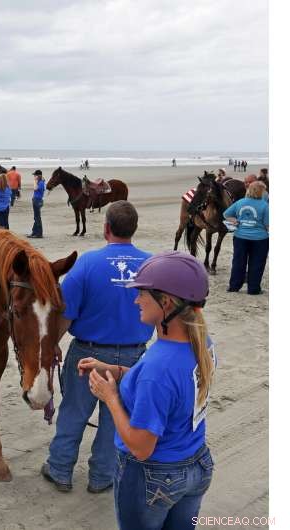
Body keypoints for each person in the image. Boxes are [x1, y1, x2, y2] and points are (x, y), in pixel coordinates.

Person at [85, 251, 215, 530]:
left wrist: (110, 398)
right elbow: (169, 388)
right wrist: (115, 370)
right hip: (196, 465)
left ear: (165, 302)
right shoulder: (202, 344)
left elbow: (141, 447)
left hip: (154, 476)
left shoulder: (157, 368)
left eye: (142, 293)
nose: (136, 300)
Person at [42, 200, 153, 494]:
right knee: (115, 418)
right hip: (133, 355)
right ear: (134, 229)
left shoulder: (87, 264)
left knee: (73, 413)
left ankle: (60, 469)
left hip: (88, 354)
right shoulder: (151, 264)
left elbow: (66, 315)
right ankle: (102, 475)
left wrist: (52, 344)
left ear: (106, 229)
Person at [224, 181, 269, 295]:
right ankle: (253, 289)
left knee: (238, 262)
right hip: (260, 239)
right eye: (264, 190)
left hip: (240, 237)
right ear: (260, 191)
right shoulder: (265, 205)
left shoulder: (240, 202)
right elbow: (267, 225)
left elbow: (226, 214)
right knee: (257, 263)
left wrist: (235, 221)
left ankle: (234, 287)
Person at [28, 170, 46, 238]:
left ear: (38, 176)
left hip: (37, 200)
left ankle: (39, 233)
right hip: (36, 200)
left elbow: (35, 188)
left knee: (37, 217)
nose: (34, 176)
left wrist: (35, 181)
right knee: (36, 217)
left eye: (35, 175)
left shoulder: (41, 182)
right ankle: (34, 232)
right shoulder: (41, 182)